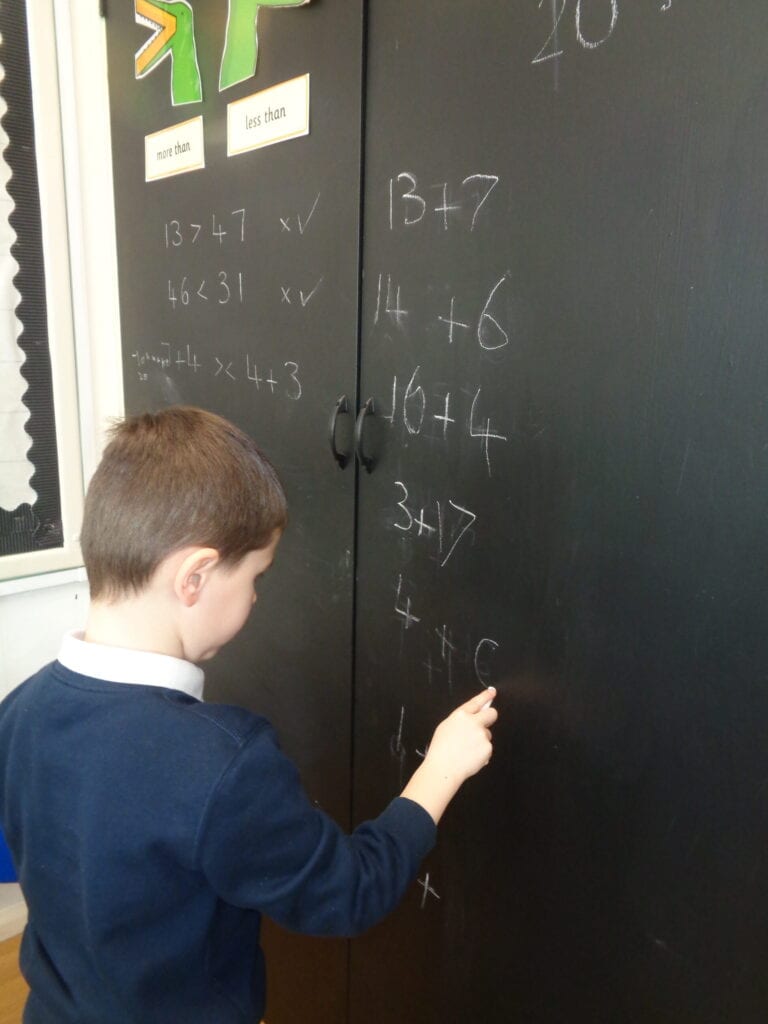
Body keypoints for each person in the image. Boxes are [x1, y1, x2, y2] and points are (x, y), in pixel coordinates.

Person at [0, 405, 498, 1023]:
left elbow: (29, 857)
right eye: (256, 575)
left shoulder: (20, 709)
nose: (258, 596)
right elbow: (348, 892)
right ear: (195, 577)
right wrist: (441, 769)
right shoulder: (223, 764)